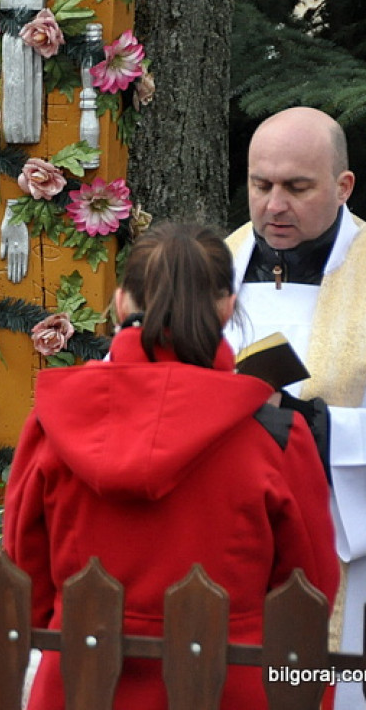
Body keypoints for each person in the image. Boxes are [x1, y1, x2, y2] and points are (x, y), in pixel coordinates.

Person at [4, 222, 339, 709]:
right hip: (228, 682)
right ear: (227, 308)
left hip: (81, 679)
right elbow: (310, 593)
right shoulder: (276, 436)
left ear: (121, 303)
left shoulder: (52, 424)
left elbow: (24, 579)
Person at [225, 105, 366, 710]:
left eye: (297, 187)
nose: (274, 205)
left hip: (339, 534)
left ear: (343, 186)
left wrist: (318, 427)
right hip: (229, 532)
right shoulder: (211, 267)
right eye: (261, 185)